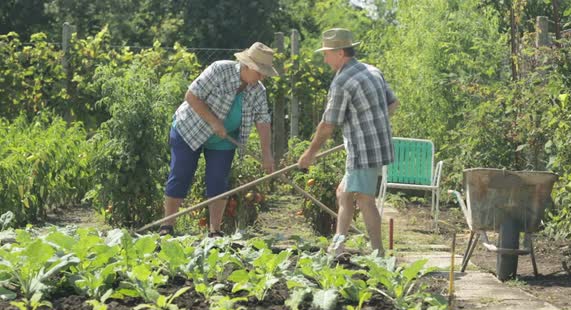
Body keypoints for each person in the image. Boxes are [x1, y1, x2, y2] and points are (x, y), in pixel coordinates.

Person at [298, 28, 399, 257]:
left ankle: (378, 253)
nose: (324, 59)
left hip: (364, 150)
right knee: (343, 193)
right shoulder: (372, 71)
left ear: (340, 52)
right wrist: (373, 122)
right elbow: (392, 104)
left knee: (365, 200)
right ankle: (338, 246)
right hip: (374, 145)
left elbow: (328, 125)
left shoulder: (342, 81)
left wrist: (309, 153)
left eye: (327, 53)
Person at [160, 42, 278, 237]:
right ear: (247, 66)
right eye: (260, 72)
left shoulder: (258, 90)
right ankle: (167, 226)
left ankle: (215, 231)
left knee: (218, 181)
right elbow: (191, 96)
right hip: (190, 129)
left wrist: (267, 154)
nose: (262, 77)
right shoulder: (219, 70)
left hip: (224, 138)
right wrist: (214, 122)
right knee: (181, 174)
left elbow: (263, 121)